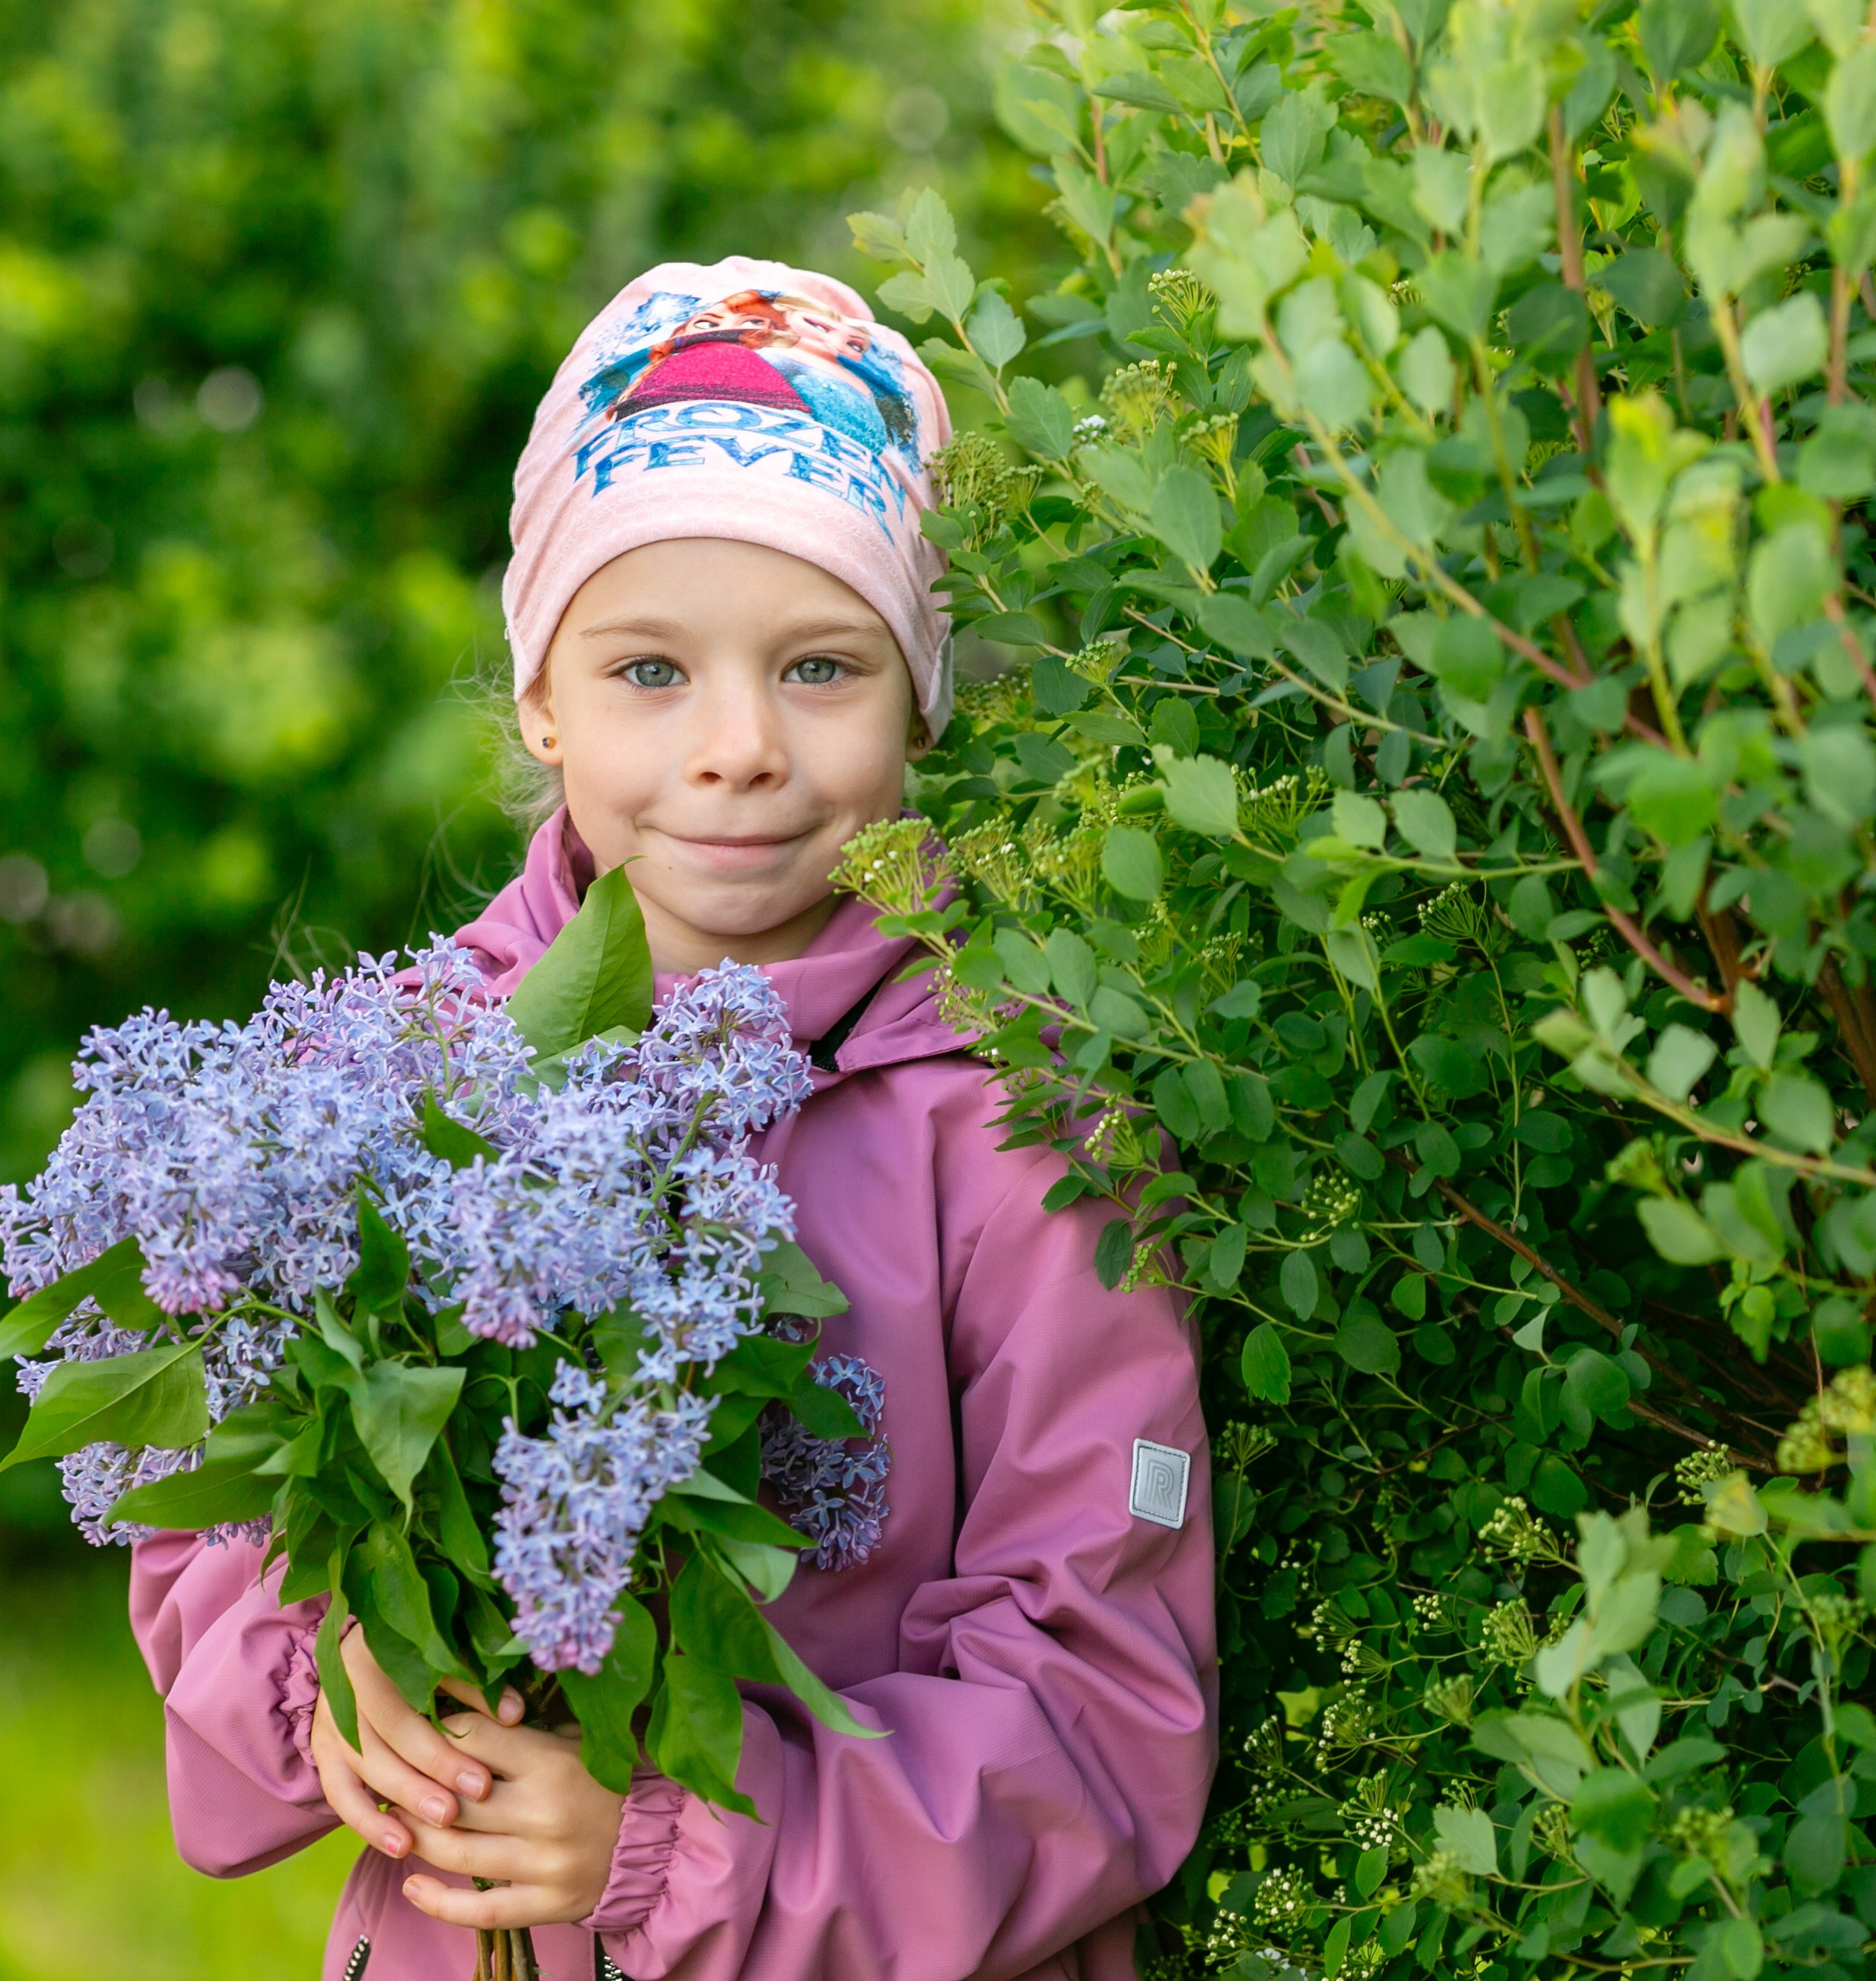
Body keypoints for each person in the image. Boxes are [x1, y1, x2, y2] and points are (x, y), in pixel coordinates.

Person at [129, 255, 1216, 1981]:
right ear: (540, 695)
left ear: (918, 700)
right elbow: (221, 1509)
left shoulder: (1025, 1126)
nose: (735, 748)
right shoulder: (399, 1066)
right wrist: (336, 1668)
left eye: (818, 668)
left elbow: (1096, 1702)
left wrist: (661, 1846)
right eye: (648, 669)